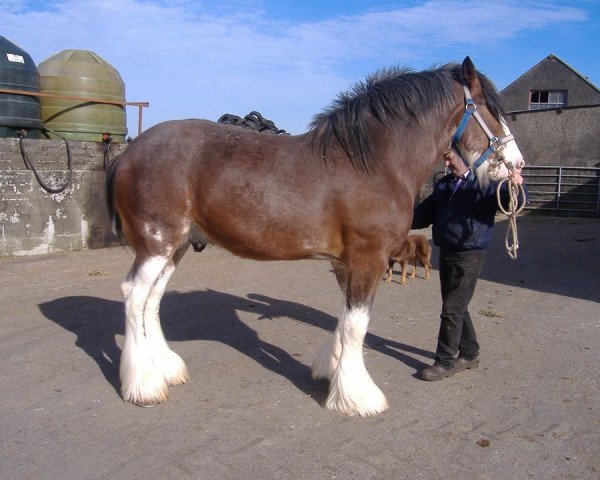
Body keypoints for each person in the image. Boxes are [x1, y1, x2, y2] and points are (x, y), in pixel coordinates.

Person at [411, 148, 526, 381]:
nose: (447, 162)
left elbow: (512, 201)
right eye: (445, 158)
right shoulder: (444, 185)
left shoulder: (485, 183)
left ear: (465, 158)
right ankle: (470, 354)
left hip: (470, 254)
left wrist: (515, 185)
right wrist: (398, 219)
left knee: (452, 309)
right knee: (456, 306)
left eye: (450, 157)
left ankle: (444, 361)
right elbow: (423, 215)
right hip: (447, 252)